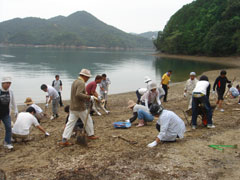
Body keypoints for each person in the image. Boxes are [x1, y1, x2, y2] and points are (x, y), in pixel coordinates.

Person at [60, 69, 98, 146]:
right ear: (84, 76)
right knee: (88, 121)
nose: (88, 79)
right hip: (80, 107)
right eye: (87, 77)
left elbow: (77, 94)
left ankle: (64, 139)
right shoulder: (81, 83)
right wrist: (89, 97)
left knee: (70, 123)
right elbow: (78, 94)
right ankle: (90, 135)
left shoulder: (75, 81)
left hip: (73, 106)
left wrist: (86, 95)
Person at [0, 77, 18, 149]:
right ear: (3, 83)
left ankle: (7, 142)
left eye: (9, 83)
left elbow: (13, 101)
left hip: (6, 113)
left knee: (8, 127)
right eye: (7, 83)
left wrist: (16, 109)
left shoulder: (10, 91)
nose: (8, 85)